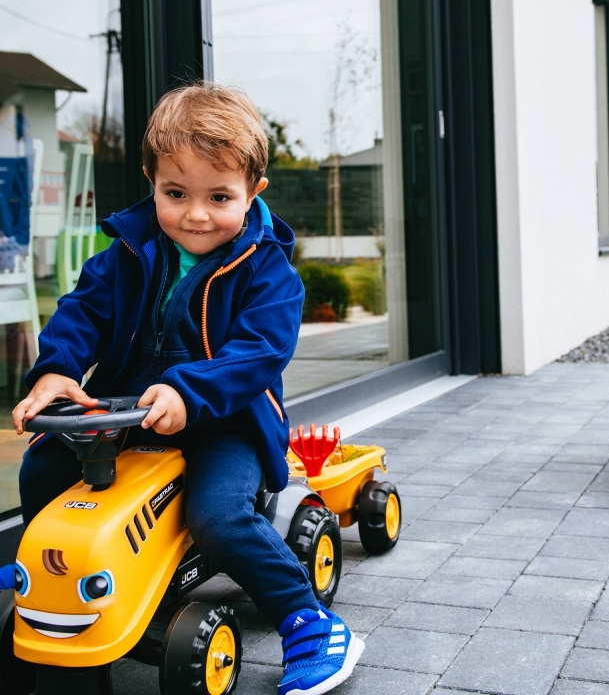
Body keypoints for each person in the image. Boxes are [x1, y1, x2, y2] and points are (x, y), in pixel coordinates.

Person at [6, 83, 363, 695]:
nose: (195, 214)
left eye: (219, 197)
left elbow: (259, 353)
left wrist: (186, 391)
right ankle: (56, 580)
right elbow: (81, 312)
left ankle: (307, 621)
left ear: (254, 191)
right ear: (151, 180)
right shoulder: (126, 253)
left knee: (218, 516)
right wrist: (56, 370)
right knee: (43, 468)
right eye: (176, 194)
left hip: (227, 424)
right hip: (127, 415)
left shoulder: (270, 273)